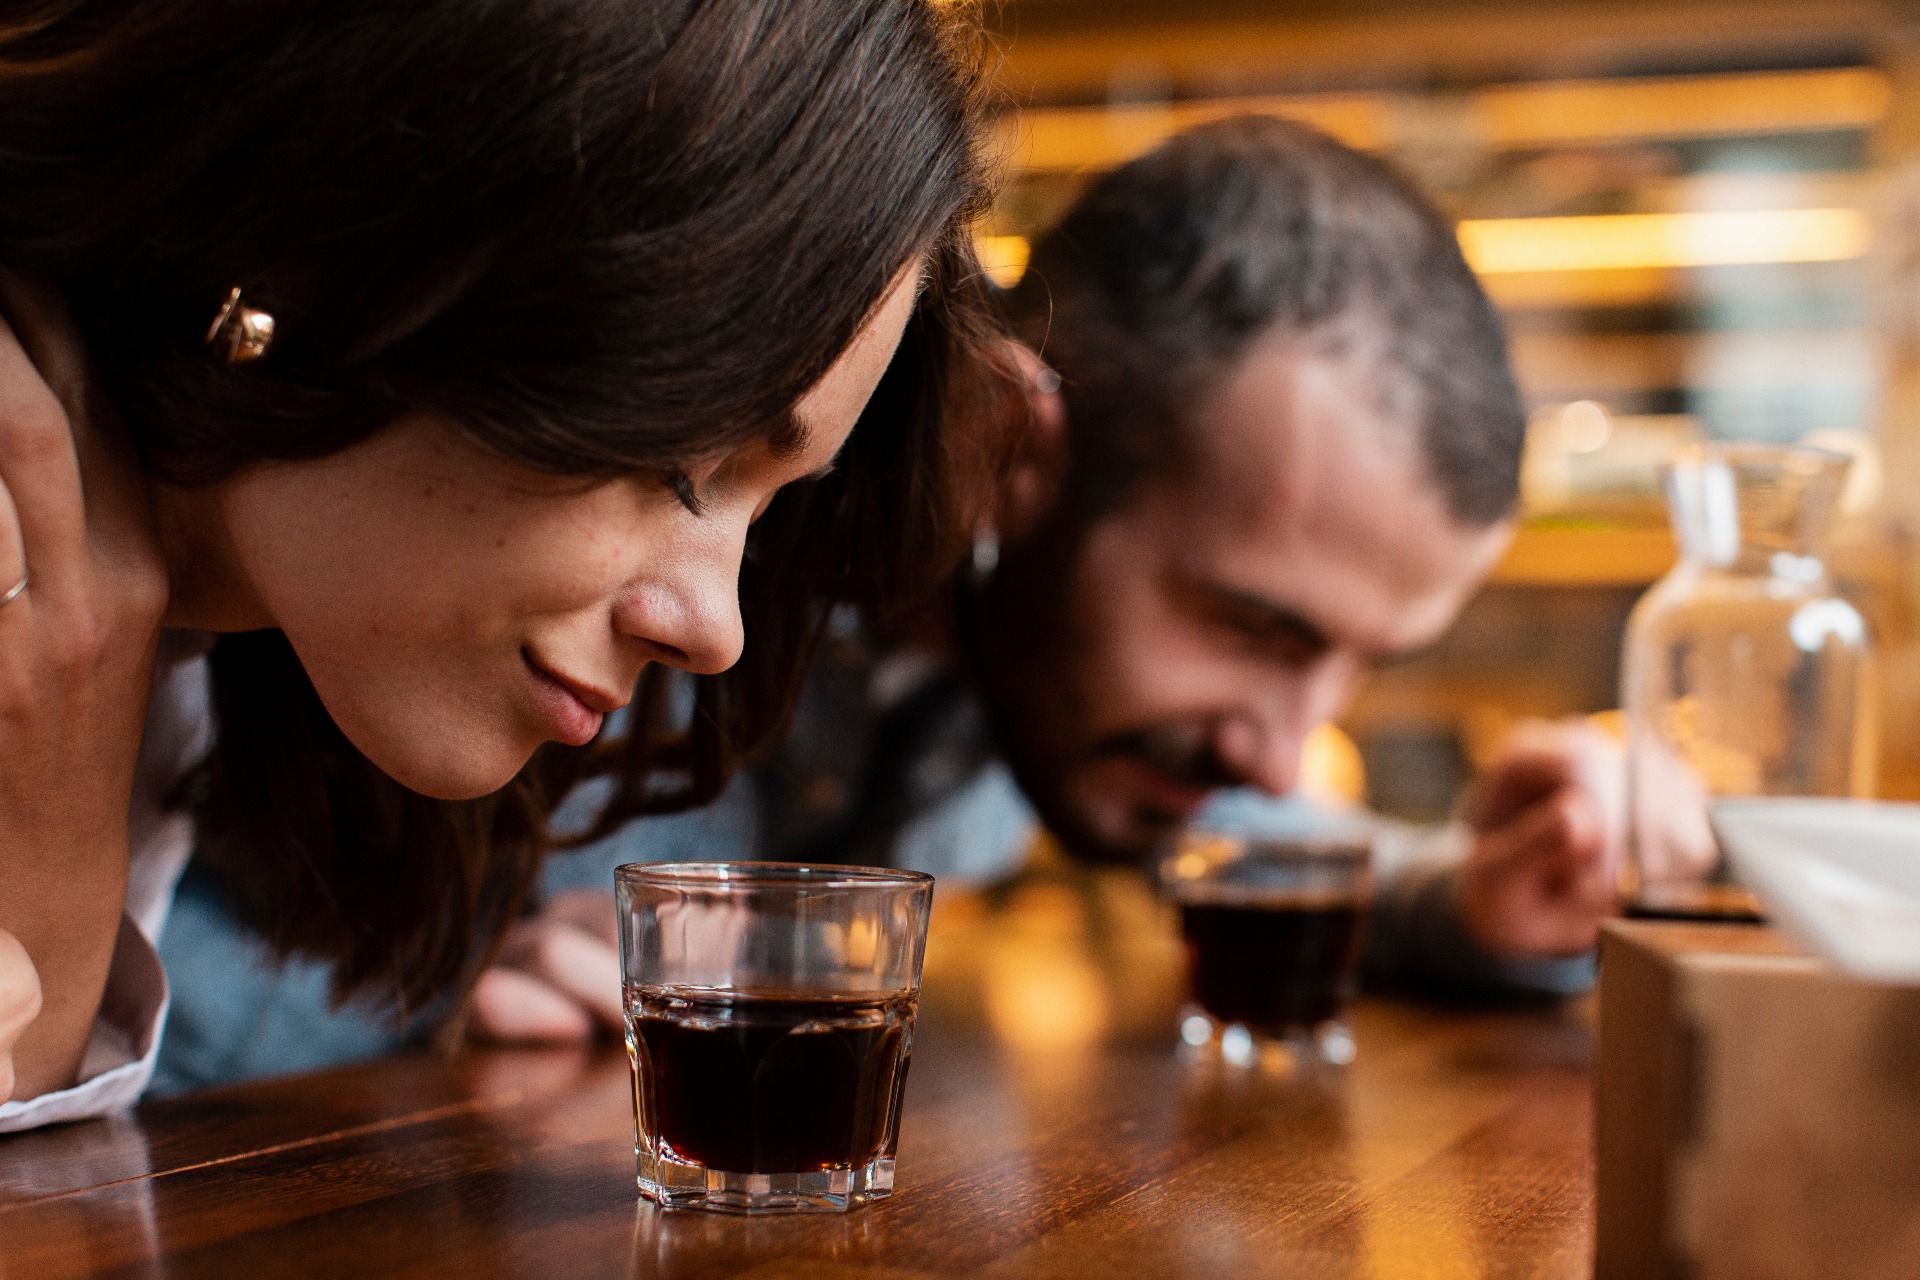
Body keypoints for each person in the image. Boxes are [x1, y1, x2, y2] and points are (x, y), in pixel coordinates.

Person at [152, 116, 1620, 1080]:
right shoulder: (646, 541)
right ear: (1005, 447)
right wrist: (423, 1018)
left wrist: (1495, 892)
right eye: (1255, 628)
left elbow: (1266, 840)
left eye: (1361, 663)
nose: (1286, 745)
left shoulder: (1056, 694)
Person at [0, 0, 1000, 1129]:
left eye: (764, 513)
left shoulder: (230, 671)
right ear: (358, 229)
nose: (716, 630)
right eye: (681, 459)